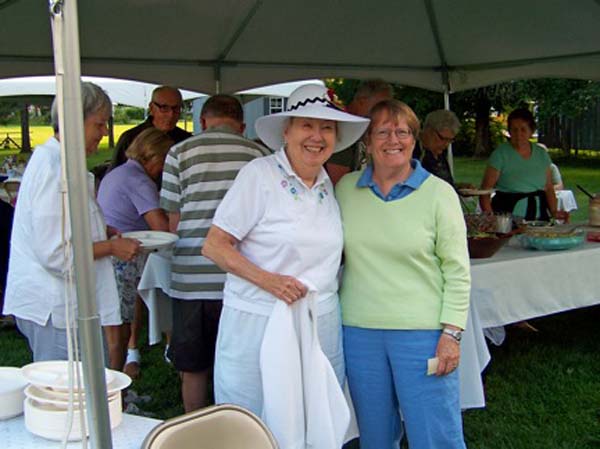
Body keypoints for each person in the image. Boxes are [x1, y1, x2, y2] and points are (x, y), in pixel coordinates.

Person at [201, 84, 369, 446]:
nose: (317, 136)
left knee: (315, 415)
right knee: (253, 419)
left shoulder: (328, 184)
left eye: (326, 128)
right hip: (258, 324)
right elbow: (214, 245)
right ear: (287, 131)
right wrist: (269, 281)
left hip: (318, 324)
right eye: (307, 125)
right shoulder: (258, 175)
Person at [336, 99, 470, 449]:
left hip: (423, 333)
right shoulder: (345, 190)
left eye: (403, 131)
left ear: (415, 139)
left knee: (434, 435)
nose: (393, 139)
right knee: (376, 436)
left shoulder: (439, 194)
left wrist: (451, 334)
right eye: (382, 131)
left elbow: (458, 271)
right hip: (359, 332)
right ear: (367, 141)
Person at [3, 82, 140, 362]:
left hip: (67, 307)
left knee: (86, 389)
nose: (104, 133)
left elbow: (65, 228)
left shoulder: (62, 163)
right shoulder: (54, 170)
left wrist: (101, 230)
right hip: (55, 309)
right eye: (99, 124)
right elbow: (56, 253)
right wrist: (111, 248)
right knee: (67, 396)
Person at [160, 94, 270, 413]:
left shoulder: (179, 152)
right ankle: (243, 429)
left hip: (191, 278)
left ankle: (195, 428)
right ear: (242, 125)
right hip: (243, 278)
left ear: (203, 122)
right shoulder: (261, 156)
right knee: (243, 367)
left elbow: (172, 219)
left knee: (193, 367)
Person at [97, 128, 173, 374]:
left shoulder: (118, 172)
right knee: (119, 326)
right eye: (164, 162)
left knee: (116, 324)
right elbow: (161, 228)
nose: (163, 170)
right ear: (153, 156)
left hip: (107, 256)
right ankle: (117, 387)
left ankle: (122, 372)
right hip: (123, 256)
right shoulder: (139, 180)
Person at [480, 108, 563, 221]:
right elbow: (485, 191)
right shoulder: (500, 154)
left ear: (531, 131)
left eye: (523, 129)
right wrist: (491, 219)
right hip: (508, 218)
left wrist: (554, 211)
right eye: (514, 130)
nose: (518, 134)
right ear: (509, 131)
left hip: (539, 217)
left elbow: (548, 187)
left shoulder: (541, 154)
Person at [325, 79, 393, 184]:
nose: (385, 111)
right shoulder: (344, 128)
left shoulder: (364, 128)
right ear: (362, 101)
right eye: (381, 105)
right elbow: (339, 184)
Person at [111, 86, 191, 169]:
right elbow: (115, 175)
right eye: (164, 108)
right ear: (152, 108)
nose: (171, 114)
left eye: (176, 109)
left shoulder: (186, 140)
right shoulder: (130, 138)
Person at [416, 109, 461, 187]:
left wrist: (456, 187)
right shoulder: (411, 151)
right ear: (429, 130)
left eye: (450, 140)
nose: (446, 144)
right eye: (442, 138)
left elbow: (441, 182)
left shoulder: (439, 153)